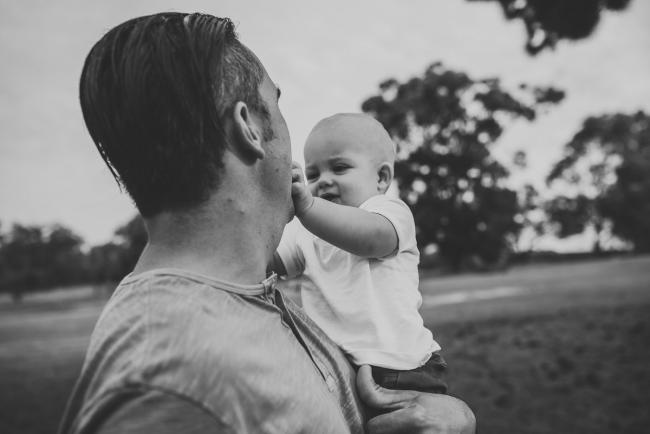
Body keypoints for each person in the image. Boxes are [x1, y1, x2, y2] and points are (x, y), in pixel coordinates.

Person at [59, 12, 475, 434]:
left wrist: (452, 418)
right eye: (277, 103)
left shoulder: (246, 291)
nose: (321, 178)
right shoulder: (165, 385)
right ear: (250, 127)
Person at [270, 113, 448, 395]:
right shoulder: (306, 231)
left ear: (381, 177)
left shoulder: (389, 213)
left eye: (339, 168)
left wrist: (307, 208)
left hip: (402, 368)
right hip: (336, 370)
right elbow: (268, 260)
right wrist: (274, 208)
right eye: (312, 174)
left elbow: (372, 240)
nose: (323, 181)